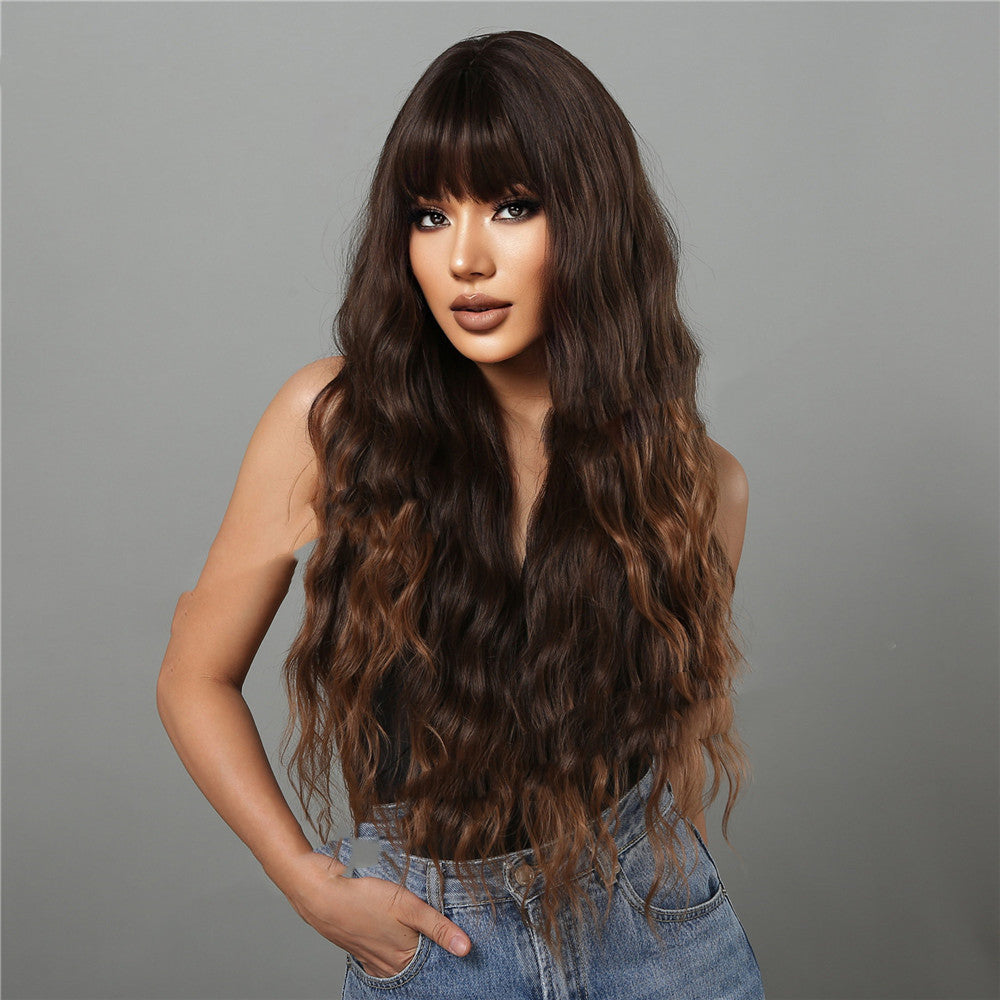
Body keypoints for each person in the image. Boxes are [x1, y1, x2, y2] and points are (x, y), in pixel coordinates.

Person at [157, 29, 764, 999]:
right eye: (430, 216)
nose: (466, 258)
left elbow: (663, 743)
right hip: (439, 942)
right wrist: (312, 887)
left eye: (513, 207)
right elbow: (193, 676)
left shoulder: (695, 479)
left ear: (595, 220)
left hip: (654, 935)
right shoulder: (335, 423)